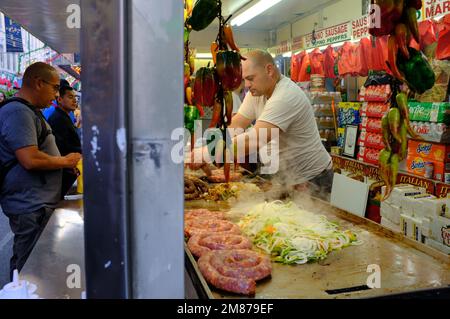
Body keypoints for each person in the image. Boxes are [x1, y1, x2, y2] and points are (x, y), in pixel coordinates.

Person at [190, 50, 333, 198]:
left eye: (250, 78)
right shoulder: (257, 93)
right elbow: (236, 125)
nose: (246, 85)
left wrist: (208, 153)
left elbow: (256, 139)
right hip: (285, 177)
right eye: (244, 79)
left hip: (313, 179)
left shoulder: (285, 96)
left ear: (269, 70)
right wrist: (208, 147)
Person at [0, 62, 81, 279]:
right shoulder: (18, 112)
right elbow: (30, 159)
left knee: (39, 263)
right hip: (30, 206)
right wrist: (65, 162)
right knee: (27, 267)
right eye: (54, 88)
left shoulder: (30, 111)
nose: (56, 95)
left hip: (38, 203)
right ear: (38, 83)